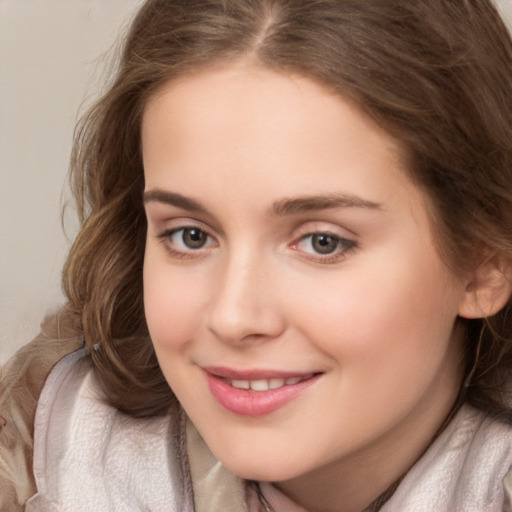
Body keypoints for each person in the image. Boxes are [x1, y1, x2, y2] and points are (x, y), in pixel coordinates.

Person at [2, 0, 512, 510]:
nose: (232, 317)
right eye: (190, 236)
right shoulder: (53, 453)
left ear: (484, 262)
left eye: (322, 242)